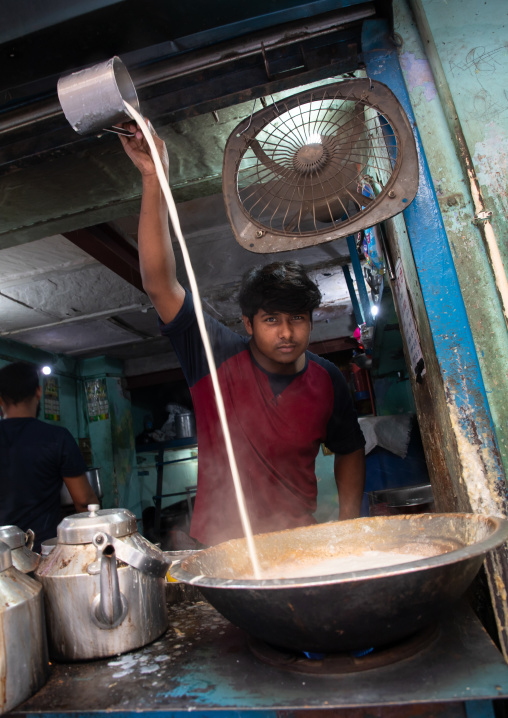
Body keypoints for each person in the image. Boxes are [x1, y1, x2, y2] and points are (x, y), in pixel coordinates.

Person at [120, 122, 366, 547]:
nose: (287, 333)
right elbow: (160, 283)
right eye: (272, 320)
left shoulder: (328, 380)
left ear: (312, 320)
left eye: (298, 319)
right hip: (219, 546)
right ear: (248, 323)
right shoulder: (213, 355)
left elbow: (350, 448)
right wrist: (153, 178)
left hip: (298, 544)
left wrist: (348, 522)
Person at [0, 361, 99, 551]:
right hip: (42, 553)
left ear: (0, 399)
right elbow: (84, 502)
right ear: (38, 392)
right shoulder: (56, 438)